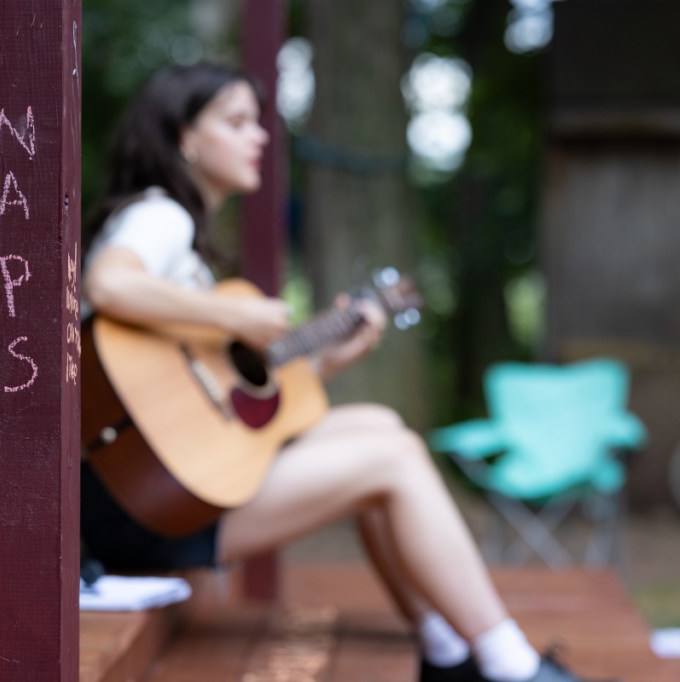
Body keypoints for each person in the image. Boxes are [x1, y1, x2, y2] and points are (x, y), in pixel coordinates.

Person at [80, 63, 590, 682]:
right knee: (393, 458)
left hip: (156, 487)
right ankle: (507, 664)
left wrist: (321, 362)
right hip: (141, 505)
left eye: (258, 122)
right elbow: (107, 283)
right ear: (184, 137)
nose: (260, 137)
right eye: (237, 122)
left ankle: (448, 650)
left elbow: (210, 404)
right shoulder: (162, 217)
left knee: (380, 425)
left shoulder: (179, 237)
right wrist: (231, 311)